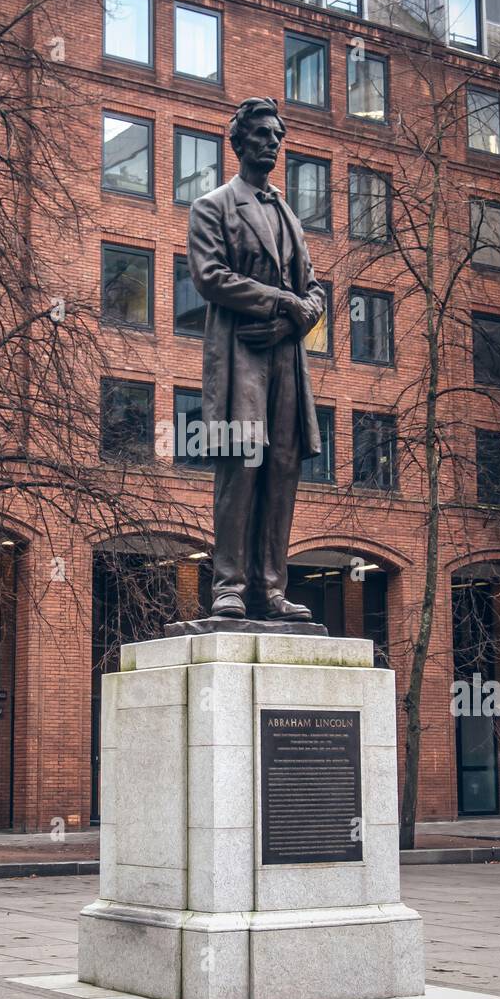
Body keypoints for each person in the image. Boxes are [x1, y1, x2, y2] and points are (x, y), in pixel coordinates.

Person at [187, 97, 326, 620]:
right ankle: (229, 585)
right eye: (264, 134)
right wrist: (281, 301)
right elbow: (209, 276)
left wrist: (297, 314)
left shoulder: (288, 213)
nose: (273, 143)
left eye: (278, 136)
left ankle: (270, 588)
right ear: (240, 141)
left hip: (287, 361)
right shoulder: (213, 206)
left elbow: (314, 290)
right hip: (240, 355)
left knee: (282, 468)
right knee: (241, 466)